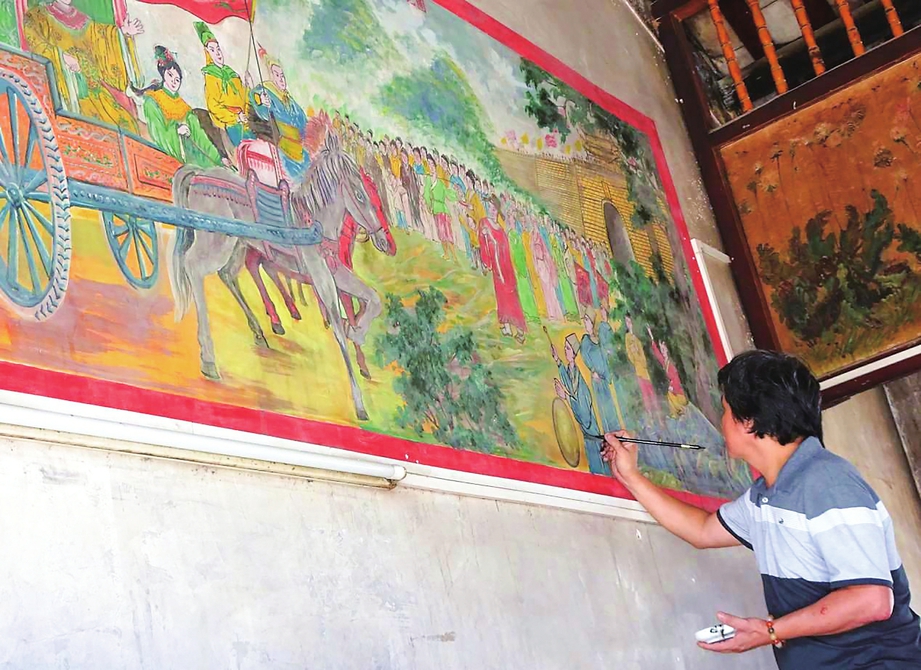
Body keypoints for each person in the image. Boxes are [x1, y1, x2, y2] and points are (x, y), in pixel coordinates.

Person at [603, 350, 921, 668]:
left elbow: (871, 600)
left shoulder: (827, 482)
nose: (721, 421)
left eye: (725, 410)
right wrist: (630, 476)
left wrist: (770, 631)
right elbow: (701, 530)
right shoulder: (765, 497)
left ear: (749, 421)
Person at [24, 0, 142, 132]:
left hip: (93, 91)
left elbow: (101, 37)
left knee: (125, 125)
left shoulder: (83, 20)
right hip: (63, 91)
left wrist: (123, 32)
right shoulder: (37, 15)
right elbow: (37, 45)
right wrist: (62, 58)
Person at [132, 46, 224, 169]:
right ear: (163, 74)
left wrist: (218, 158)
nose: (174, 81)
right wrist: (176, 131)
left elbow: (200, 137)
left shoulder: (184, 107)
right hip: (174, 158)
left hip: (195, 154)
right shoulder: (152, 101)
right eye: (170, 75)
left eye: (177, 79)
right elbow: (158, 134)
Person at [552, 333, 610, 476]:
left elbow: (584, 415)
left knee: (598, 467)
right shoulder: (572, 371)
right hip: (587, 433)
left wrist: (566, 397)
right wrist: (558, 360)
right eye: (565, 348)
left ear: (574, 353)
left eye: (567, 348)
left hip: (592, 434)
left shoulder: (580, 383)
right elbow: (568, 382)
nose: (565, 350)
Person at [249, 49, 310, 182]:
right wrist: (262, 101)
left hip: (299, 147)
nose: (281, 79)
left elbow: (303, 120)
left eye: (282, 75)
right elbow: (258, 104)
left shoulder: (289, 100)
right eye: (277, 75)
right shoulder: (266, 92)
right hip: (282, 145)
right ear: (271, 77)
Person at [195, 22, 249, 148]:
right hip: (230, 124)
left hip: (245, 120)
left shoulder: (232, 74)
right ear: (208, 53)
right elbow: (214, 106)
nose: (217, 53)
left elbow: (244, 96)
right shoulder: (211, 76)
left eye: (218, 49)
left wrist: (252, 91)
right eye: (212, 50)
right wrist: (235, 117)